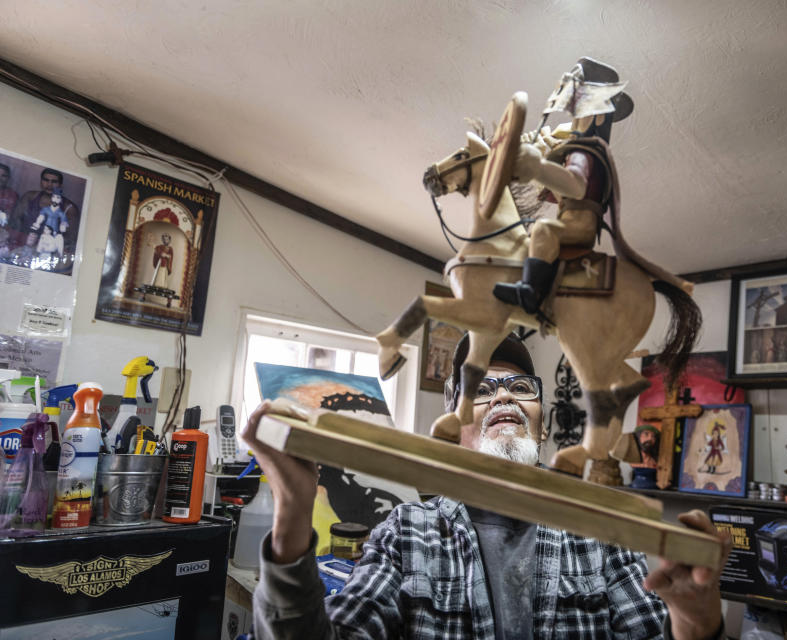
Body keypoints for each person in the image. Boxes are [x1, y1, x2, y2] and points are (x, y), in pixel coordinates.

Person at [244, 333, 731, 640]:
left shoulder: (601, 533)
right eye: (482, 389)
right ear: (453, 426)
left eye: (521, 389)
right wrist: (292, 513)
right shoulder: (406, 533)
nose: (504, 396)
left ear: (541, 428)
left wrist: (694, 619)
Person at [493, 57, 634, 315]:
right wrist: (539, 170)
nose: (574, 119)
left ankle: (531, 292)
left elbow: (576, 187)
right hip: (574, 217)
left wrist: (538, 167)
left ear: (599, 117)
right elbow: (564, 195)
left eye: (581, 112)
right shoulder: (576, 150)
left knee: (543, 229)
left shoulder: (583, 152)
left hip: (579, 225)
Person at [11, 167, 80, 258]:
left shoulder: (69, 207)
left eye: (54, 181)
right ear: (41, 181)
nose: (49, 184)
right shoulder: (30, 196)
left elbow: (71, 238)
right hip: (24, 244)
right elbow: (14, 220)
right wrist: (25, 240)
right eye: (46, 180)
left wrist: (47, 245)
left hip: (50, 249)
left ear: (60, 185)